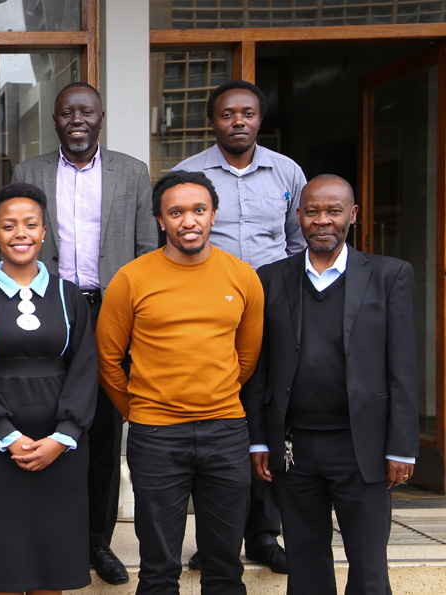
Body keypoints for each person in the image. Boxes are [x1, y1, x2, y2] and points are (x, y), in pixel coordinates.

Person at [12, 81, 157, 586]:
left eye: (87, 111)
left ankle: (97, 542)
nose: (77, 119)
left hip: (110, 309)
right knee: (48, 419)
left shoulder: (133, 173)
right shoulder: (28, 172)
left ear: (101, 118)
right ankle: (51, 536)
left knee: (101, 429)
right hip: (47, 308)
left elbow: (146, 251)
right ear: (54, 121)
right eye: (67, 112)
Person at [244, 174, 418, 594]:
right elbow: (259, 367)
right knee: (304, 565)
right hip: (295, 448)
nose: (322, 220)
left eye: (334, 211)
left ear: (352, 215)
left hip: (364, 447)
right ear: (299, 217)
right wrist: (259, 441)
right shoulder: (270, 278)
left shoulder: (388, 275)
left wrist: (401, 446)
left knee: (369, 566)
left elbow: (403, 366)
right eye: (312, 211)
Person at [95, 170, 264, 595]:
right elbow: (109, 359)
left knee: (225, 565)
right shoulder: (131, 279)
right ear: (161, 220)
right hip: (156, 437)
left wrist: (216, 396)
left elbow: (246, 358)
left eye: (198, 210)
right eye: (176, 212)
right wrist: (139, 411)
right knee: (158, 567)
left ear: (213, 215)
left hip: (225, 431)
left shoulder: (242, 277)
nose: (188, 221)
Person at [172, 80, 305, 572]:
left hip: (272, 308)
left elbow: (298, 240)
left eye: (247, 113)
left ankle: (264, 534)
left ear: (259, 118)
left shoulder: (287, 172)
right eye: (228, 114)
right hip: (209, 310)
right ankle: (216, 539)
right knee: (220, 420)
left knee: (268, 414)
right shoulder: (188, 173)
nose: (238, 121)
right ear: (214, 121)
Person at [0, 182, 96, 594]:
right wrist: (6, 436)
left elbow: (85, 368)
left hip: (60, 453)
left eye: (31, 224)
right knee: (4, 572)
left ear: (45, 231)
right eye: (9, 226)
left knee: (53, 570)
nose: (21, 234)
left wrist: (63, 437)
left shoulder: (69, 296)